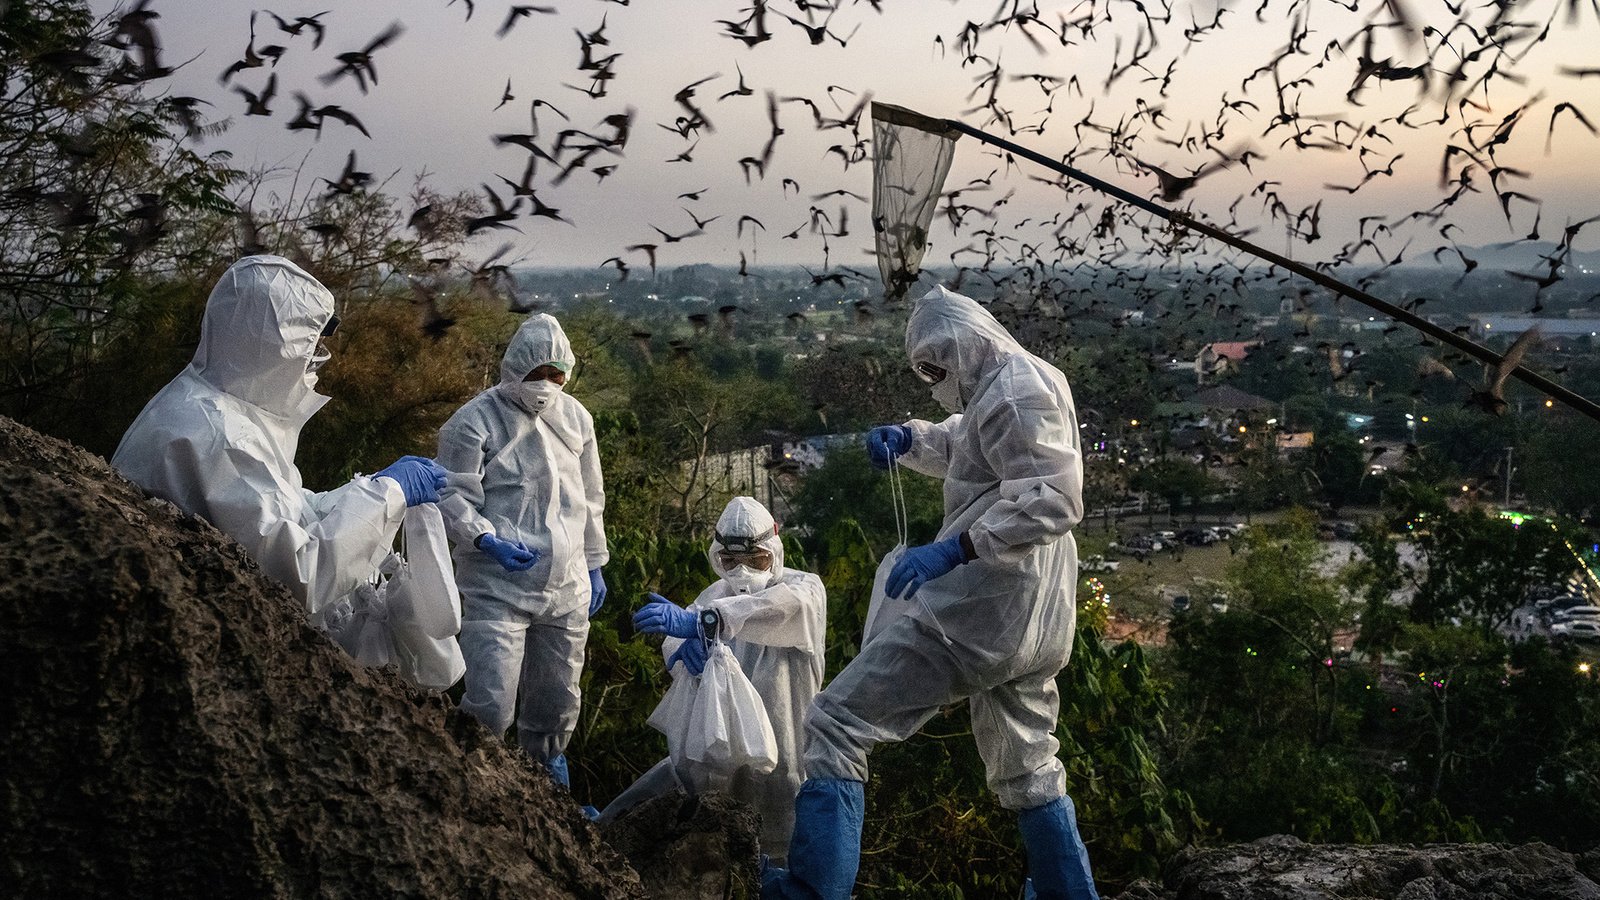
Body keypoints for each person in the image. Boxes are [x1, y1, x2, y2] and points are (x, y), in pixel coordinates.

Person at [763, 285, 1099, 900]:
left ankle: (812, 891)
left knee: (837, 721)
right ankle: (1067, 892)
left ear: (966, 345)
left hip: (984, 609)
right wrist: (909, 437)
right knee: (1027, 761)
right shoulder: (1009, 382)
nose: (937, 382)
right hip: (1038, 618)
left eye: (938, 367)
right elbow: (970, 447)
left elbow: (1055, 499)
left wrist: (956, 548)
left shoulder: (1017, 392)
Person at [112, 255, 447, 630]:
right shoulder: (219, 435)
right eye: (311, 349)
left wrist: (368, 490)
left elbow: (287, 511)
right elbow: (300, 574)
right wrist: (388, 496)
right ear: (271, 350)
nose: (316, 364)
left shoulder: (208, 402)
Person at [435, 313, 608, 789]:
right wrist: (484, 538)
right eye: (538, 375)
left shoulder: (577, 418)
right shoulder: (472, 423)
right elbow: (452, 495)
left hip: (567, 584)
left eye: (558, 376)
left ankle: (549, 788)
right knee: (491, 700)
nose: (548, 386)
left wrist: (595, 563)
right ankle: (475, 784)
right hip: (497, 586)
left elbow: (590, 498)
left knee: (557, 699)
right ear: (516, 369)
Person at [604, 496, 826, 864]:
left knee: (777, 856)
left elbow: (769, 609)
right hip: (721, 756)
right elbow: (682, 632)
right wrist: (681, 650)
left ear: (775, 551)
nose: (742, 572)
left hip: (786, 761)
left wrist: (705, 624)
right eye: (730, 561)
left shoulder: (804, 590)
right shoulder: (713, 596)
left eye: (756, 560)